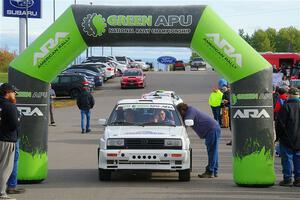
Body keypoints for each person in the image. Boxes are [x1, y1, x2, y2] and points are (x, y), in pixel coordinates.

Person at [177, 103, 221, 178]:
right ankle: (214, 170)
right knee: (213, 150)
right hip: (212, 129)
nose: (180, 115)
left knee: (212, 151)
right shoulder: (190, 110)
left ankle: (210, 171)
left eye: (179, 113)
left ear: (182, 110)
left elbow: (188, 122)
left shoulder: (190, 111)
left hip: (211, 130)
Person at [275, 87, 300, 187]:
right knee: (298, 158)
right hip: (299, 139)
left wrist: (278, 136)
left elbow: (280, 124)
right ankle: (298, 179)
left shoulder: (285, 107)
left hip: (286, 138)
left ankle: (287, 178)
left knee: (287, 159)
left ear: (289, 95)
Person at [0, 83, 20, 200]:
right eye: (13, 92)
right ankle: (2, 194)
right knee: (5, 168)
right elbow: (14, 125)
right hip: (7, 140)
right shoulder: (10, 106)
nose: (14, 94)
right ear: (7, 93)